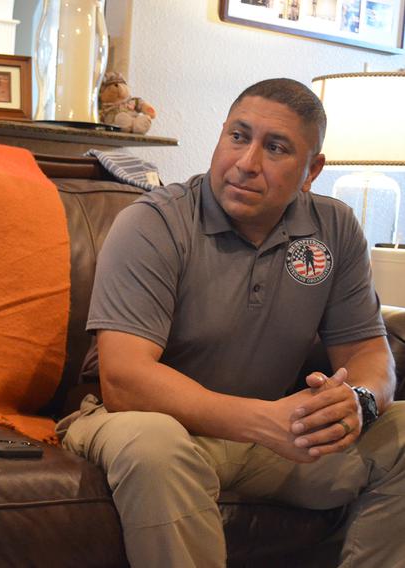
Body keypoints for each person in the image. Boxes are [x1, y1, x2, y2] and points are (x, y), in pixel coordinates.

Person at [56, 78, 404, 567]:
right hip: (139, 424)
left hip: (269, 438)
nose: (246, 162)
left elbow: (369, 352)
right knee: (155, 446)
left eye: (276, 148)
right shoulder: (154, 223)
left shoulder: (335, 229)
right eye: (238, 137)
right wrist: (265, 421)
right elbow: (125, 380)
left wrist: (359, 402)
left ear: (312, 171)